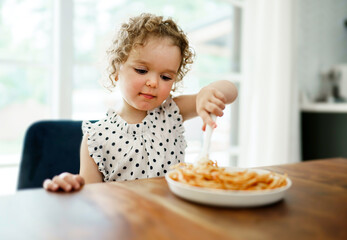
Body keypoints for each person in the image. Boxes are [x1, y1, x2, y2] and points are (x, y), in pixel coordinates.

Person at [43, 13, 238, 192]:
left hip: (172, 219)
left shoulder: (172, 111)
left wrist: (209, 92)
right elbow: (90, 198)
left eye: (165, 76)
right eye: (142, 71)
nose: (153, 82)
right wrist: (70, 185)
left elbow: (231, 90)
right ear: (116, 70)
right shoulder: (95, 138)